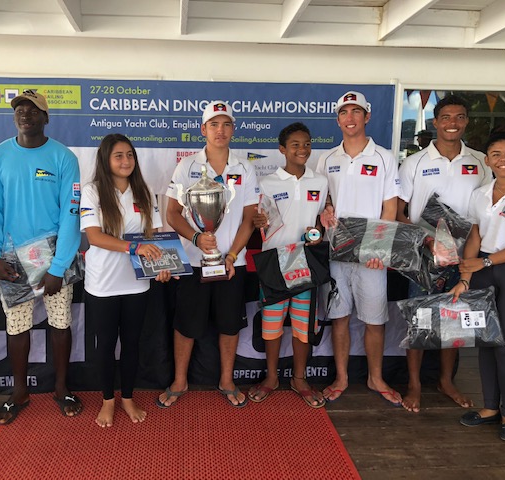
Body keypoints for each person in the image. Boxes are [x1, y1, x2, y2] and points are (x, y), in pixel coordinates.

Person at [0, 90, 82, 425]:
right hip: (11, 257)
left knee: (60, 323)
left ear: (46, 117)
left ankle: (61, 388)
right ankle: (20, 392)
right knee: (17, 327)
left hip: (54, 257)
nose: (25, 114)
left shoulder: (64, 158)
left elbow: (71, 214)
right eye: (20, 109)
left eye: (33, 110)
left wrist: (59, 267)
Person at [157, 100, 258, 408]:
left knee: (230, 324)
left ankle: (226, 380)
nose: (220, 130)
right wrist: (197, 237)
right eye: (214, 124)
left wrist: (232, 255)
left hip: (231, 263)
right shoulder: (186, 166)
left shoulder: (245, 168)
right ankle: (180, 380)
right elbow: (172, 213)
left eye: (226, 124)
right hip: (192, 262)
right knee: (186, 324)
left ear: (233, 129)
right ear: (203, 129)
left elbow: (249, 219)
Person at [397, 94, 492, 413]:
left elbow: (486, 210)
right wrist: (425, 241)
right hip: (424, 255)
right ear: (435, 122)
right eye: (446, 117)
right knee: (420, 319)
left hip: (465, 256)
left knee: (454, 320)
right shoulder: (415, 162)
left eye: (460, 117)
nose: (453, 123)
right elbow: (398, 212)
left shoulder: (480, 161)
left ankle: (446, 381)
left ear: (467, 121)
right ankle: (414, 383)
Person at [316, 91, 402, 406]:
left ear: (367, 116)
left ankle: (375, 377)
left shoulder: (384, 158)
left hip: (371, 255)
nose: (349, 118)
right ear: (338, 120)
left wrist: (380, 248)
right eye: (343, 112)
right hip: (336, 251)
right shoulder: (327, 159)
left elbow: (390, 208)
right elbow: (322, 200)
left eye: (355, 112)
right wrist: (325, 210)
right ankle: (341, 377)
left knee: (375, 319)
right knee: (339, 317)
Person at [81, 134, 172, 427]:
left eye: (130, 155)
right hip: (102, 284)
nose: (126, 161)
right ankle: (108, 400)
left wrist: (162, 266)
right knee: (106, 345)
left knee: (132, 343)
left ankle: (128, 397)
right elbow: (94, 237)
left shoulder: (144, 191)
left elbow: (153, 237)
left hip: (137, 283)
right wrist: (134, 247)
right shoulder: (92, 191)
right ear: (106, 160)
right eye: (118, 155)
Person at [452, 128, 505, 443]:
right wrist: (465, 276)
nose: (504, 159)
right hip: (483, 271)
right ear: (487, 160)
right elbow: (476, 235)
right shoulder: (481, 193)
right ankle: (489, 408)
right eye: (496, 154)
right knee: (486, 341)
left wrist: (485, 263)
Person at [247, 122, 328, 408]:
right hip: (275, 263)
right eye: (295, 144)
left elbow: (320, 221)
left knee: (303, 325)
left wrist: (319, 233)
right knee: (271, 325)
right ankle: (271, 377)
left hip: (306, 262)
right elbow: (259, 221)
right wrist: (257, 221)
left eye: (307, 144)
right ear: (282, 149)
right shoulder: (267, 183)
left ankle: (299, 378)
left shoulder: (320, 182)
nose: (302, 149)